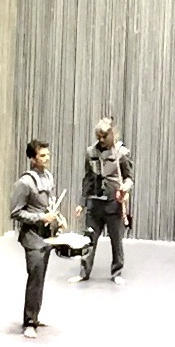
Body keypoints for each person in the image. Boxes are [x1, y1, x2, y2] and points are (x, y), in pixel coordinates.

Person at [9, 139, 64, 337]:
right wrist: (40, 217)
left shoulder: (47, 177)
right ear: (32, 159)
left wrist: (58, 218)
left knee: (40, 279)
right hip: (32, 238)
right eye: (42, 155)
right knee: (34, 279)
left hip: (46, 236)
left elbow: (49, 205)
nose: (46, 158)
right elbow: (16, 213)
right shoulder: (24, 183)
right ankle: (29, 322)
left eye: (47, 154)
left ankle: (35, 316)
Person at [70, 117, 133, 285]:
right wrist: (81, 203)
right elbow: (87, 179)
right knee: (89, 239)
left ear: (112, 134)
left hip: (113, 204)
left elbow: (129, 177)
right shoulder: (91, 152)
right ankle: (84, 272)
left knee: (116, 240)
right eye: (99, 136)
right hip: (95, 204)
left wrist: (125, 187)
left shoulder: (122, 153)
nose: (101, 139)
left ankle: (117, 271)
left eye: (105, 136)